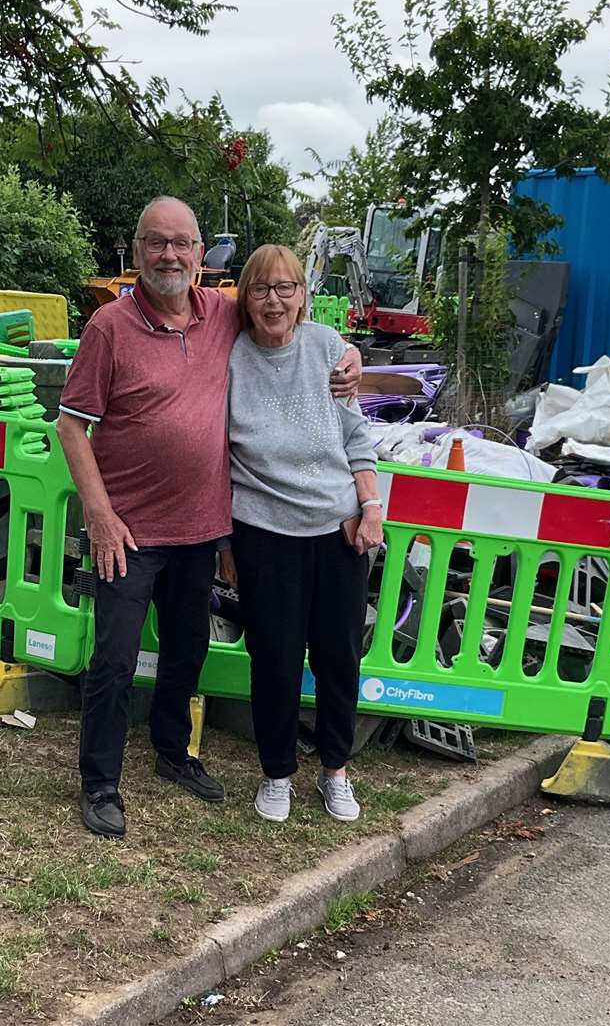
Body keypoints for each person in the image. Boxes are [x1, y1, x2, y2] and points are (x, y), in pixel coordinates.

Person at [56, 197, 362, 839]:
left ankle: (172, 752)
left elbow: (287, 319)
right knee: (114, 658)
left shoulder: (221, 314)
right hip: (131, 532)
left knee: (187, 649)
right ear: (136, 250)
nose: (170, 255)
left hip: (199, 532)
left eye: (182, 244)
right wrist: (100, 515)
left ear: (200, 255)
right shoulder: (108, 327)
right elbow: (72, 426)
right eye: (156, 243)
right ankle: (100, 783)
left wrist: (350, 352)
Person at [217, 244, 383, 824]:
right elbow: (218, 456)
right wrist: (225, 542)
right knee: (276, 659)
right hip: (264, 533)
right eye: (261, 289)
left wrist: (372, 505)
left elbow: (357, 437)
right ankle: (276, 773)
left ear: (302, 295)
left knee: (339, 657)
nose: (274, 301)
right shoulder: (231, 358)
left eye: (286, 288)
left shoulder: (329, 350)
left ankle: (335, 770)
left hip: (338, 532)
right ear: (245, 297)